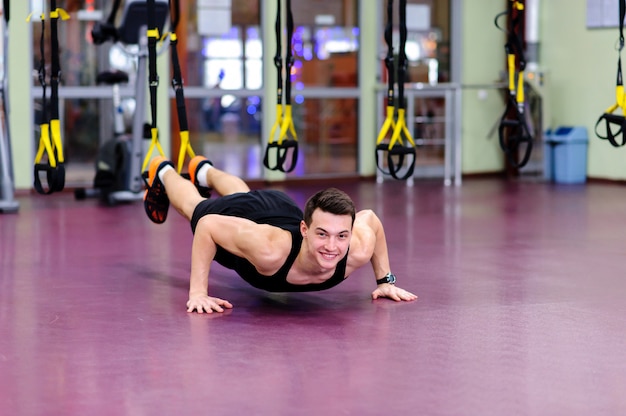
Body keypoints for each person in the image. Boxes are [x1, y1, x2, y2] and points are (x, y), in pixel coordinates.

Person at [143, 155, 418, 313]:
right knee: (196, 209)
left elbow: (370, 219)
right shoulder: (268, 250)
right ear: (305, 229)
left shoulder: (357, 245)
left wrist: (385, 281)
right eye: (322, 234)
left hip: (280, 211)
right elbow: (208, 227)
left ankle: (204, 171)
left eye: (341, 236)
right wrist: (198, 292)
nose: (332, 246)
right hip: (251, 225)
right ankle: (163, 171)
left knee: (244, 195)